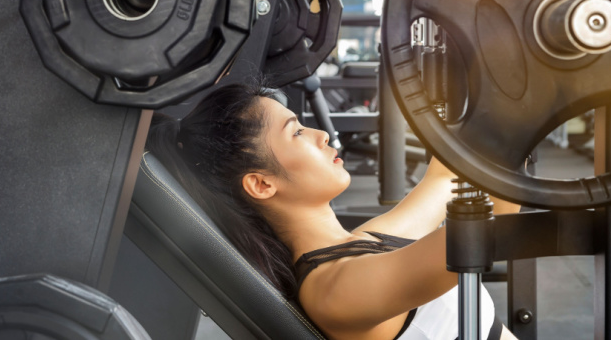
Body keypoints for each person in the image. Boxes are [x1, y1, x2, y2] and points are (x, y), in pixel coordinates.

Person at [146, 81, 520, 340]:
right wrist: (520, 122)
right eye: (296, 132)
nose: (321, 135)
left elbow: (443, 180)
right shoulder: (336, 292)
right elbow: (489, 238)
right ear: (261, 184)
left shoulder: (364, 244)